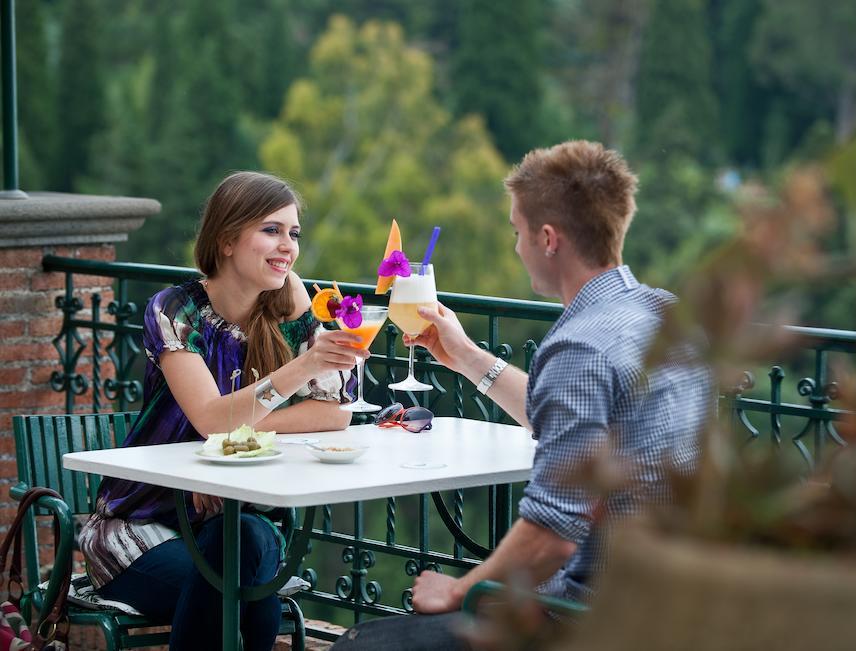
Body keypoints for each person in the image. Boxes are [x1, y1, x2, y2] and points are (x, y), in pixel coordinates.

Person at [331, 141, 712, 650]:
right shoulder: (665, 315)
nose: (516, 246)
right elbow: (572, 419)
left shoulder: (579, 346)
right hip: (683, 601)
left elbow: (553, 533)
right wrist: (465, 356)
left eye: (517, 231)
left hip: (595, 615)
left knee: (360, 644)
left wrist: (460, 589)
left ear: (548, 238)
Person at [78, 171, 369, 651]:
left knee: (246, 543)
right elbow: (212, 419)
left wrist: (238, 432)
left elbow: (336, 413)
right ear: (228, 240)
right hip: (142, 525)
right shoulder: (174, 310)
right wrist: (302, 370)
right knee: (239, 587)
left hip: (242, 516)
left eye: (293, 233)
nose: (288, 245)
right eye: (271, 230)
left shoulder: (295, 311)